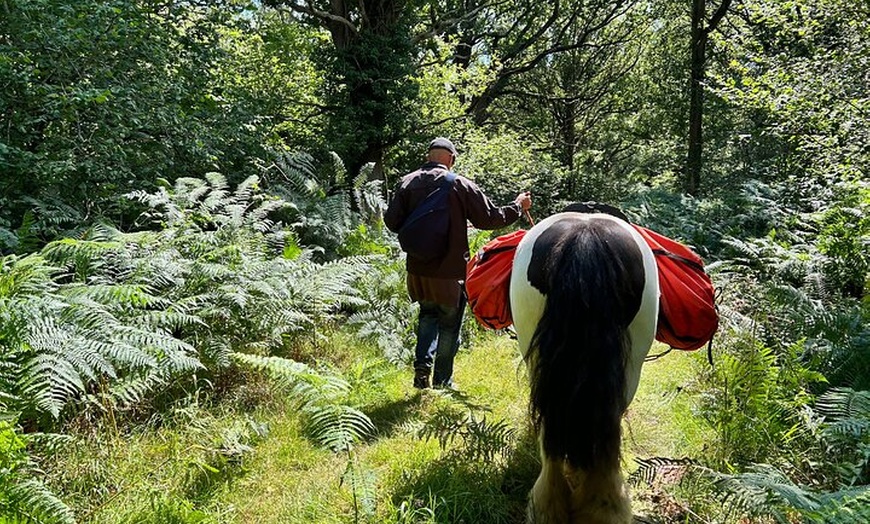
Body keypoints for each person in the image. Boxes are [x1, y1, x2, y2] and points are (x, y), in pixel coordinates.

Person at [384, 137, 532, 389]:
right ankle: (442, 382)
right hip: (450, 271)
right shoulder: (459, 185)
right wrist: (518, 206)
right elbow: (490, 219)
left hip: (418, 271)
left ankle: (421, 369)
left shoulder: (406, 182)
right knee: (450, 326)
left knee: (427, 316)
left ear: (428, 155)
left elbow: (391, 222)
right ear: (451, 159)